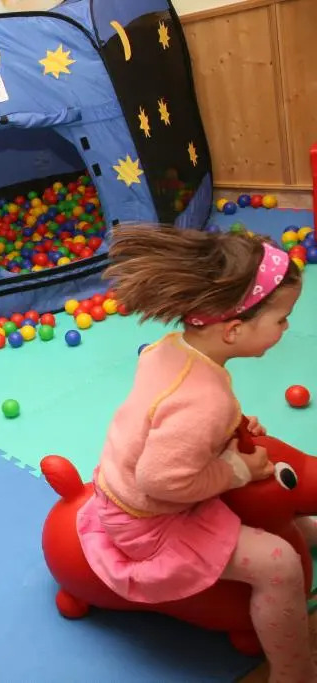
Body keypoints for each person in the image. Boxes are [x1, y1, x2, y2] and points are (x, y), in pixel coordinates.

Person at [76, 224, 314, 683]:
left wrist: (228, 430)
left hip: (132, 483)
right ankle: (294, 672)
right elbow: (160, 480)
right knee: (279, 564)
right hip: (149, 520)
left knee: (277, 509)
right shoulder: (205, 401)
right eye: (282, 320)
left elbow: (172, 417)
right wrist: (235, 468)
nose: (287, 329)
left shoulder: (174, 348)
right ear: (234, 330)